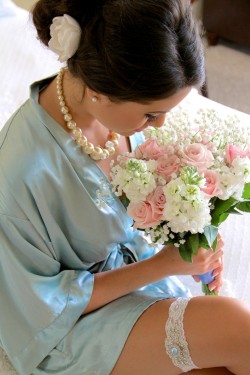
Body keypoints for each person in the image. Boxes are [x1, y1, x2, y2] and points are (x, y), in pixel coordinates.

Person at [0, 0, 249, 374]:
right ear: (99, 91)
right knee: (236, 326)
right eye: (150, 113)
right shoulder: (22, 173)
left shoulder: (112, 113)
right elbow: (37, 310)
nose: (161, 126)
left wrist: (190, 233)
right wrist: (165, 265)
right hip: (69, 327)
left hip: (132, 289)